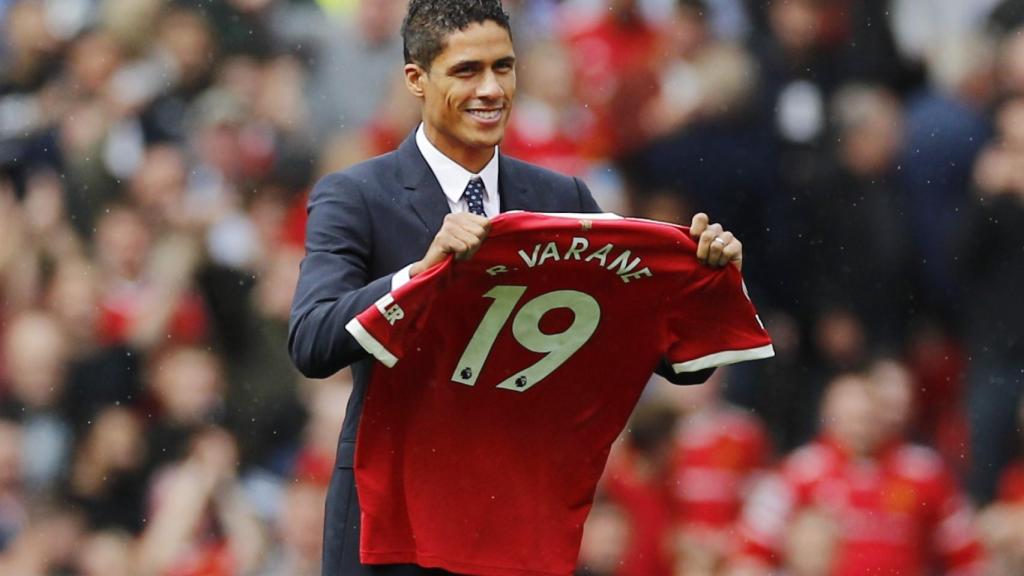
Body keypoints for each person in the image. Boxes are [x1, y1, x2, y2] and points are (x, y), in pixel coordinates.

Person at [288, 1, 745, 574]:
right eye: (466, 71)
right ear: (415, 79)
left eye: (503, 68)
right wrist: (419, 277)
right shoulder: (355, 195)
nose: (491, 88)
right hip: (393, 513)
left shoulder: (564, 200)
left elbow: (673, 363)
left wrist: (704, 284)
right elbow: (312, 340)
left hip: (515, 511)